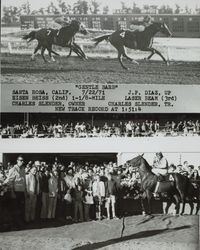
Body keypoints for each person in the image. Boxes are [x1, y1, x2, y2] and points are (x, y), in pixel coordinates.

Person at [4, 155, 26, 226]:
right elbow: (10, 181)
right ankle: (16, 223)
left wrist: (25, 191)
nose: (22, 162)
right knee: (16, 208)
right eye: (20, 160)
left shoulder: (23, 169)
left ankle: (20, 222)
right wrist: (12, 192)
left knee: (21, 207)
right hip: (16, 192)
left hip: (21, 191)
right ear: (17, 161)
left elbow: (24, 182)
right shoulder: (13, 169)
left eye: (22, 160)